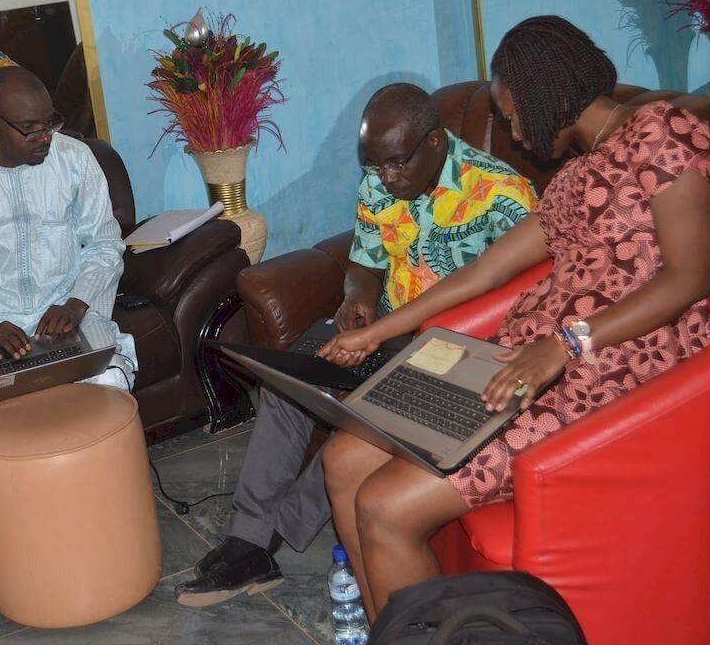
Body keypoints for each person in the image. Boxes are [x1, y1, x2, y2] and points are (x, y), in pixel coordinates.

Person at [317, 16, 710, 620]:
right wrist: (377, 330)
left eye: (513, 116)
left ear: (547, 99)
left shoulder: (664, 131)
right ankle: (390, 632)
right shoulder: (576, 177)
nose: (513, 132)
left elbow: (690, 278)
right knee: (342, 460)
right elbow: (485, 272)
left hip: (610, 370)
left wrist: (566, 344)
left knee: (385, 504)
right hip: (528, 358)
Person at [175, 83, 537, 607]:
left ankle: (263, 542)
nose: (386, 178)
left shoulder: (503, 197)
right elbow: (365, 260)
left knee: (355, 422)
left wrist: (395, 337)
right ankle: (249, 538)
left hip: (453, 355)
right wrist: (357, 299)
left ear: (435, 142)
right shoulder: (380, 180)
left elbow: (524, 305)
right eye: (375, 165)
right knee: (290, 380)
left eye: (396, 164)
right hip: (384, 335)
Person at [0, 66, 136, 424]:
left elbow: (104, 245)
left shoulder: (75, 159)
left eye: (50, 123)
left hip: (70, 316)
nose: (45, 137)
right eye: (30, 128)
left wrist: (76, 304)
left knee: (110, 382)